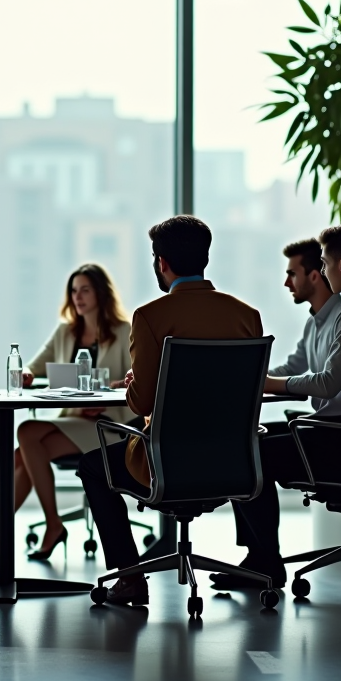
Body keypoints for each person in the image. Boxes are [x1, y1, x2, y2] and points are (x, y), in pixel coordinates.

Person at [76, 216, 263, 606]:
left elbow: (142, 404)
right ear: (205, 257)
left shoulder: (150, 317)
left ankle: (129, 579)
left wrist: (132, 386)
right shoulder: (247, 316)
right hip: (232, 463)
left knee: (94, 466)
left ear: (162, 262)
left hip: (166, 464)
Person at [0, 263, 134, 564]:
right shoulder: (66, 332)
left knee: (24, 444)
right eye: (74, 291)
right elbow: (34, 366)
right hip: (73, 418)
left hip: (108, 424)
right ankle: (43, 527)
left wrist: (115, 385)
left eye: (85, 290)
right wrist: (25, 374)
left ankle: (20, 532)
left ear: (101, 293)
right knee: (26, 444)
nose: (78, 297)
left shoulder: (124, 331)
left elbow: (138, 378)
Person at [210, 230, 341, 591]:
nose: (286, 281)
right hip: (323, 430)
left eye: (293, 273)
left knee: (248, 451)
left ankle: (266, 562)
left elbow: (323, 383)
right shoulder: (316, 321)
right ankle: (258, 556)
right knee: (245, 442)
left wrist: (268, 385)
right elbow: (292, 368)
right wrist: (245, 378)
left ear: (315, 275)